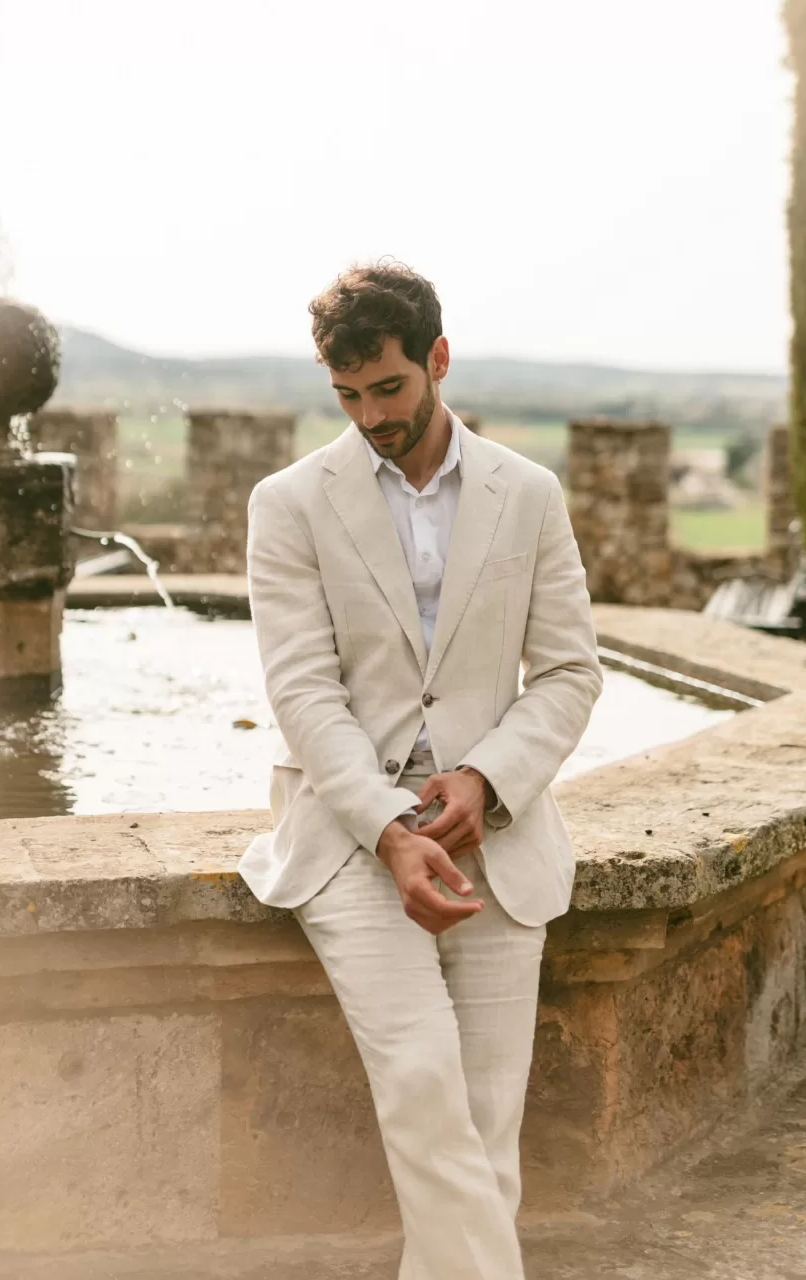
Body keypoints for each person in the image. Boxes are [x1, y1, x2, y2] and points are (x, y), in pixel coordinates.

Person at [238, 261, 602, 1280]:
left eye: (388, 388)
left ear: (436, 359)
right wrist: (390, 830)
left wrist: (484, 783)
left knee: (485, 1133)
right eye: (347, 397)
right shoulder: (289, 504)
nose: (371, 417)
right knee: (424, 1093)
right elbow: (304, 694)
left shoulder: (528, 495)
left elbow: (570, 674)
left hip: (498, 839)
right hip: (353, 838)